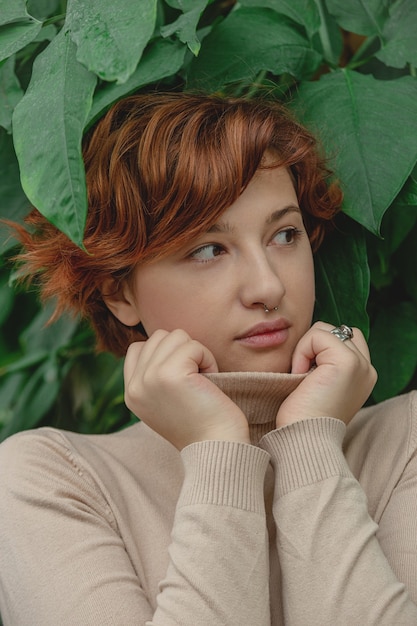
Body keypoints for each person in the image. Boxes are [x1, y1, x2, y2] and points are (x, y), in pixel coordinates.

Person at [0, 93, 416, 626]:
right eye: (208, 249)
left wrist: (312, 440)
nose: (267, 286)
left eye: (285, 235)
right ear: (117, 291)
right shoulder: (55, 483)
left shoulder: (406, 442)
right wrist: (218, 449)